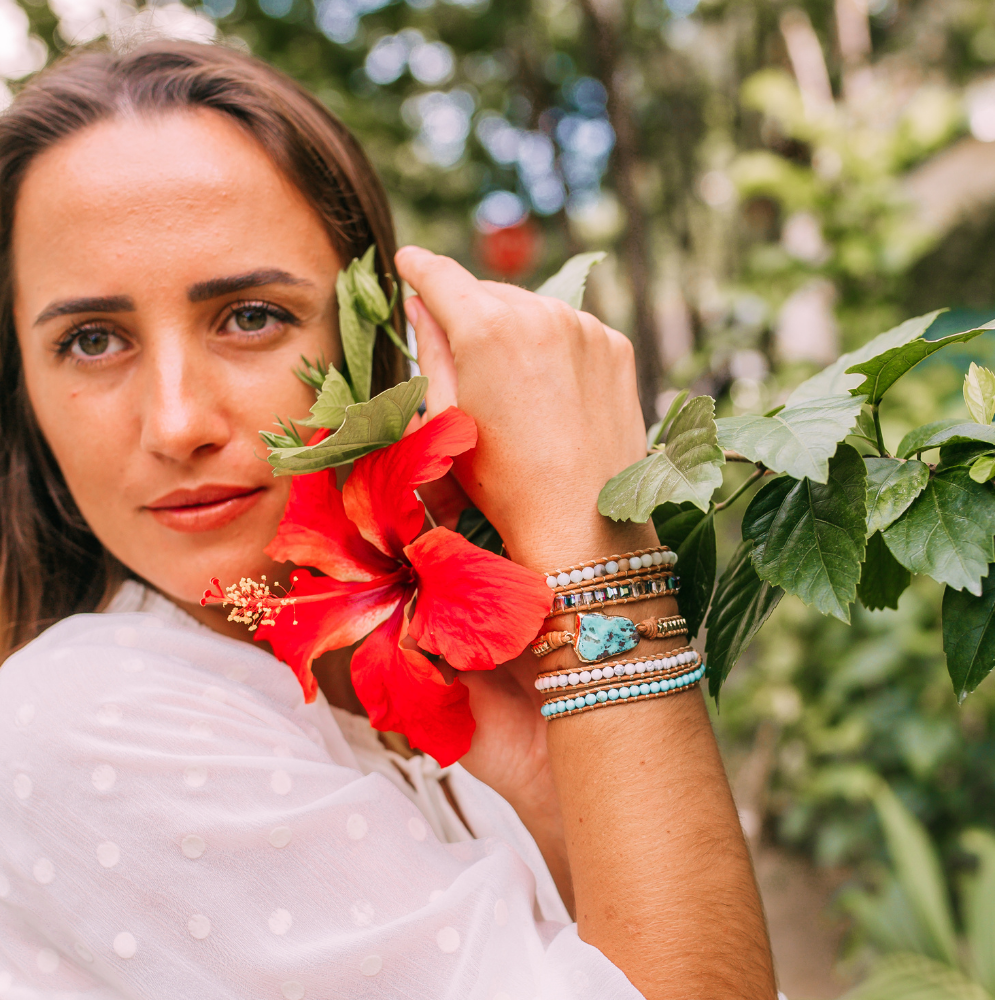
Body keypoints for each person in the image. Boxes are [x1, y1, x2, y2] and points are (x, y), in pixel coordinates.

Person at [0, 41, 776, 999]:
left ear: (372, 343)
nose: (176, 425)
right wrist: (595, 536)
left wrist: (547, 794)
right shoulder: (81, 723)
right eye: (90, 339)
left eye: (249, 316)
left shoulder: (344, 693)